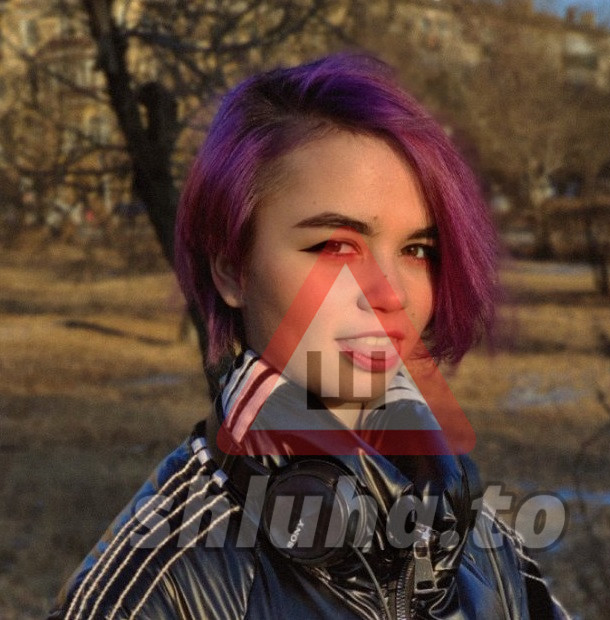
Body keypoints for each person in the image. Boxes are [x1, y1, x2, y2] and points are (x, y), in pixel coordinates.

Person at [51, 53, 568, 619]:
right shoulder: (156, 587)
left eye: (417, 250)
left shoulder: (486, 546)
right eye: (335, 246)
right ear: (231, 268)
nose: (390, 293)